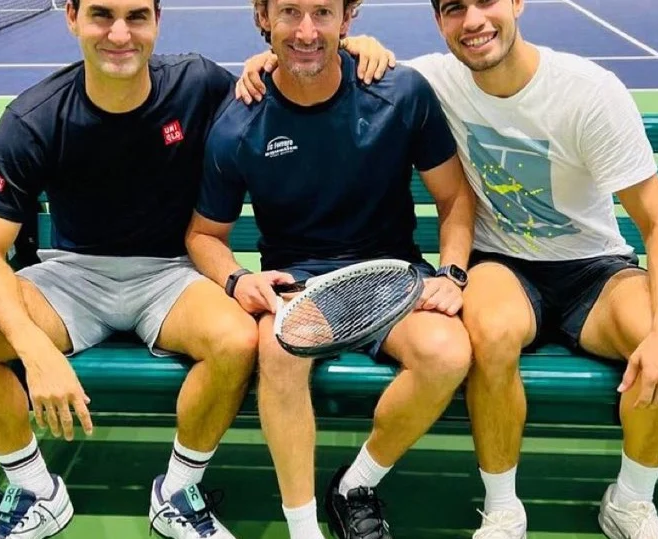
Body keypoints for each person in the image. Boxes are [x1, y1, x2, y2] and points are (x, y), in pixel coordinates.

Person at [0, 0, 395, 537]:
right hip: (72, 276)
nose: (119, 34)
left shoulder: (194, 84)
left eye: (136, 17)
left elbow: (289, 71)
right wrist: (33, 351)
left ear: (156, 23)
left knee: (237, 339)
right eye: (102, 16)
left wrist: (356, 48)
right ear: (72, 17)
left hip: (171, 273)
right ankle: (35, 490)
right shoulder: (34, 117)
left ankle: (176, 493)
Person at [236, 1, 658, 537]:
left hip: (595, 268)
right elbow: (333, 58)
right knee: (492, 332)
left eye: (487, 2)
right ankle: (503, 508)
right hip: (502, 266)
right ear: (439, 21)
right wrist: (283, 58)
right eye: (455, 8)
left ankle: (631, 500)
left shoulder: (589, 92)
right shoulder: (435, 78)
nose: (473, 21)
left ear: (517, 4)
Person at [185, 1, 477, 538]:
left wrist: (453, 273)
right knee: (277, 352)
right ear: (262, 18)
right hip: (303, 285)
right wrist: (236, 278)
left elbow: (455, 197)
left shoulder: (399, 92)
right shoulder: (238, 122)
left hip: (395, 276)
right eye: (289, 12)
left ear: (348, 19)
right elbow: (204, 235)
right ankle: (303, 529)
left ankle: (354, 485)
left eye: (322, 12)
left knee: (448, 352)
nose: (305, 30)